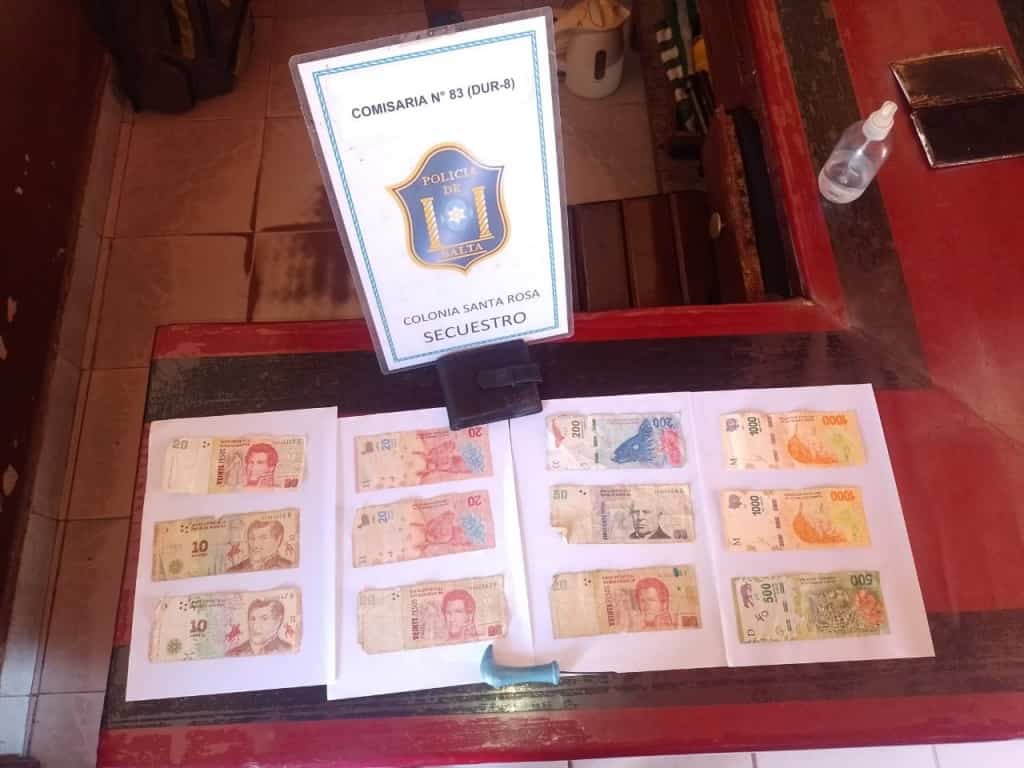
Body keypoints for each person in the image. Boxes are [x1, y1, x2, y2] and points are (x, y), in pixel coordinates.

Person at [227, 598, 293, 656]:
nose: (255, 626)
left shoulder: (288, 649)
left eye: (264, 619)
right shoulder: (232, 654)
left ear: (278, 621)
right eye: (252, 619)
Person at [228, 519, 293, 572]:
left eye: (263, 538)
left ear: (278, 540)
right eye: (252, 538)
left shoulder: (288, 566)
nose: (255, 544)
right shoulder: (234, 570)